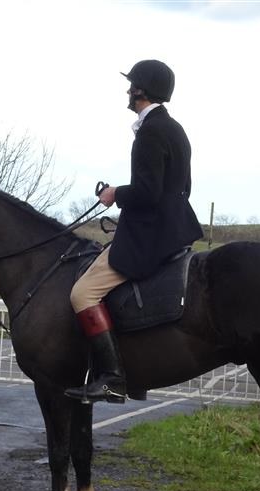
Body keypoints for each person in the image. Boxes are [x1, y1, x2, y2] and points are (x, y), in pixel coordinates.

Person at [64, 59, 203, 403]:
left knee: (82, 294)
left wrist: (115, 194)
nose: (127, 91)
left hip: (148, 236)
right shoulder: (175, 129)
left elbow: (148, 193)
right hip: (173, 231)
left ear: (141, 90)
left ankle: (112, 378)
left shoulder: (150, 131)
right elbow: (182, 187)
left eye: (131, 85)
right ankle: (135, 371)